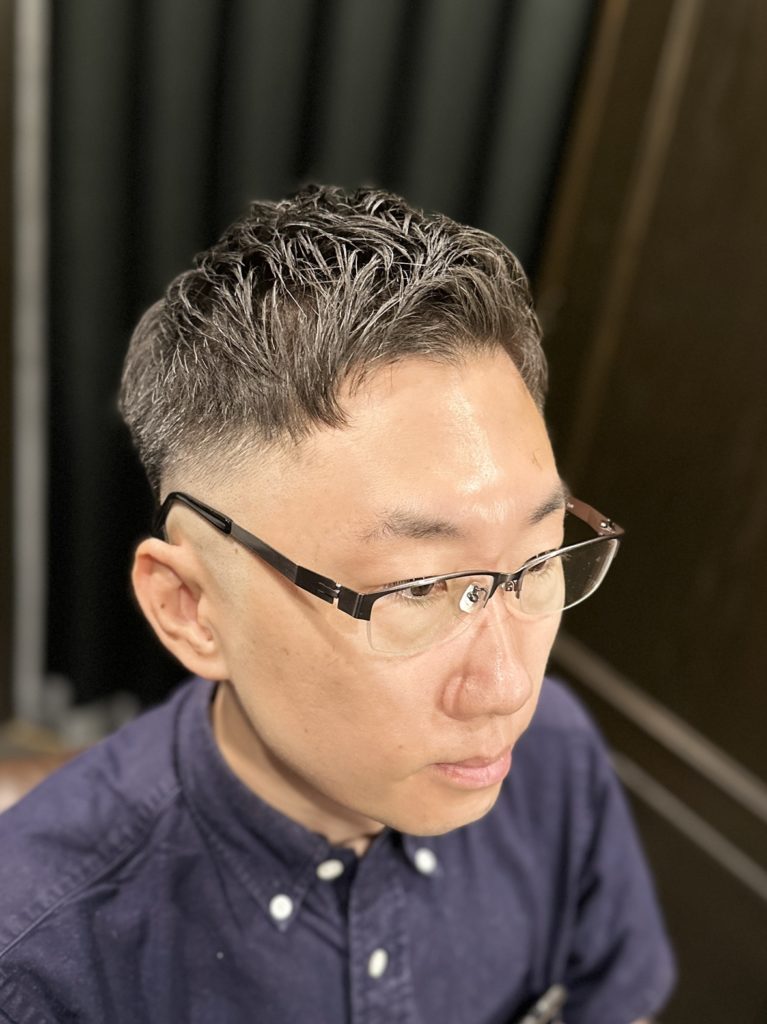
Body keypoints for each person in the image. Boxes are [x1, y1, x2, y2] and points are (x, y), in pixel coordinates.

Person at [0, 186, 674, 1023]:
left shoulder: (555, 759)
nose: (506, 689)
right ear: (191, 607)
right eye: (418, 588)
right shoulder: (37, 966)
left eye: (538, 560)